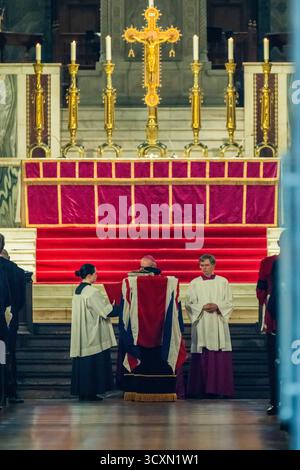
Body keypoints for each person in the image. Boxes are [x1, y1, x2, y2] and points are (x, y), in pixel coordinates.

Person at [119, 255, 186, 402]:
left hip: (142, 335)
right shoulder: (169, 284)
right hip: (161, 337)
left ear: (153, 268)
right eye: (141, 268)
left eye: (145, 268)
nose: (141, 271)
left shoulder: (132, 283)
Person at [186, 254, 234, 398]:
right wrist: (202, 306)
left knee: (219, 353)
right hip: (202, 322)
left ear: (213, 265)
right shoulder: (194, 283)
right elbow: (189, 304)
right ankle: (200, 389)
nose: (204, 268)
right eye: (201, 265)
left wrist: (217, 306)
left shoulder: (223, 282)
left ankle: (220, 389)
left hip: (218, 321)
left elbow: (230, 302)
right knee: (202, 351)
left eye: (207, 265)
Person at [70, 264, 117, 401]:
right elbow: (105, 311)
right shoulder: (92, 292)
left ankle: (84, 392)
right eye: (96, 273)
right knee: (93, 363)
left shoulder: (79, 290)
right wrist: (117, 307)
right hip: (92, 334)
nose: (97, 275)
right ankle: (91, 392)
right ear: (89, 275)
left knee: (84, 364)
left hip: (82, 333)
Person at [256, 231, 285, 415]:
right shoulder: (268, 262)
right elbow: (260, 291)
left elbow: (260, 292)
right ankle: (275, 401)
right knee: (275, 364)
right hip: (275, 322)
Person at [0, 233, 25, 404]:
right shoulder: (16, 270)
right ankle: (10, 391)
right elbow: (21, 298)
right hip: (10, 317)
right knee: (8, 354)